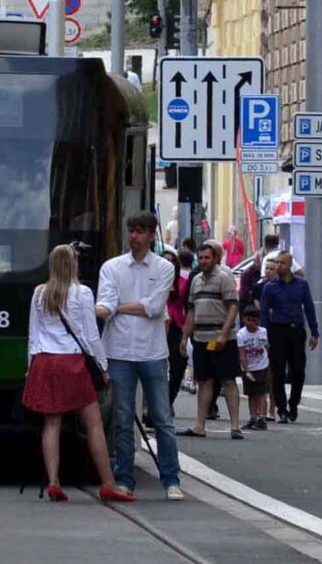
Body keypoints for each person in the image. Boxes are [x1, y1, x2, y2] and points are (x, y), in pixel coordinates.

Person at [23, 245, 136, 503]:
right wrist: (103, 366)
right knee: (94, 424)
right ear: (72, 264)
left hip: (44, 362)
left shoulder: (39, 293)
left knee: (51, 424)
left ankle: (53, 482)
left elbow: (34, 335)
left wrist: (30, 366)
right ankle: (108, 483)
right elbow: (90, 335)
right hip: (72, 363)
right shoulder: (82, 293)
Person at [96, 211, 184, 501]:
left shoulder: (163, 267)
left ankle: (171, 479)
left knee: (162, 418)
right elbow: (106, 303)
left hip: (151, 351)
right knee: (122, 418)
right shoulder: (112, 267)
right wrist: (118, 306)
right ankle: (125, 480)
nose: (134, 236)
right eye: (131, 230)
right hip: (119, 351)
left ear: (151, 234)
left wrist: (119, 307)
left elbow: (155, 307)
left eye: (140, 231)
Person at [178, 243, 243, 439]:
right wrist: (184, 337)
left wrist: (224, 334)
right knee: (204, 381)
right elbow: (191, 310)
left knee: (228, 380)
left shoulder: (224, 278)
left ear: (215, 258)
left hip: (223, 339)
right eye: (201, 258)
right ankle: (199, 426)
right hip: (201, 339)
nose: (204, 261)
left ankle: (235, 426)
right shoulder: (196, 280)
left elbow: (233, 307)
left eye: (207, 257)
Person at [260, 251, 320, 423]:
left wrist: (314, 332)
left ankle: (294, 403)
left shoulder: (301, 285)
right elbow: (264, 313)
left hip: (296, 330)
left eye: (282, 263)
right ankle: (281, 407)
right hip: (277, 331)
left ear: (290, 265)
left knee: (298, 371)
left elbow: (309, 308)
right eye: (277, 263)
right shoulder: (270, 287)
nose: (279, 266)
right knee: (277, 371)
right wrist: (264, 335)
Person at [162, 251, 189, 410]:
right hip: (157, 326)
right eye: (165, 260)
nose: (169, 264)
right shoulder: (154, 281)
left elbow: (188, 308)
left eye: (172, 261)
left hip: (176, 326)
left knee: (178, 365)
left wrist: (186, 334)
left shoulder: (183, 282)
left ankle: (168, 401)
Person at [237, 305, 271, 430]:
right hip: (249, 367)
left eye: (254, 320)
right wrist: (247, 371)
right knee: (251, 394)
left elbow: (266, 347)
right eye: (248, 320)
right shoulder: (241, 334)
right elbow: (242, 354)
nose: (251, 323)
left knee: (261, 393)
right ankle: (253, 417)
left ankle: (262, 417)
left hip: (262, 365)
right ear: (244, 319)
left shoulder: (263, 332)